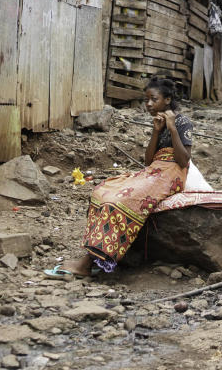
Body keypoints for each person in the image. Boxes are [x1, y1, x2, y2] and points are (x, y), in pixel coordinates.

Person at [45, 77, 193, 279]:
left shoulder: (183, 122)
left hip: (171, 176)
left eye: (153, 99)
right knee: (102, 191)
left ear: (167, 100)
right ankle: (94, 258)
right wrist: (156, 132)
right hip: (154, 171)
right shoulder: (158, 123)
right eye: (146, 100)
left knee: (118, 203)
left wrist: (173, 128)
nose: (148, 104)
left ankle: (87, 264)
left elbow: (184, 161)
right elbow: (149, 160)